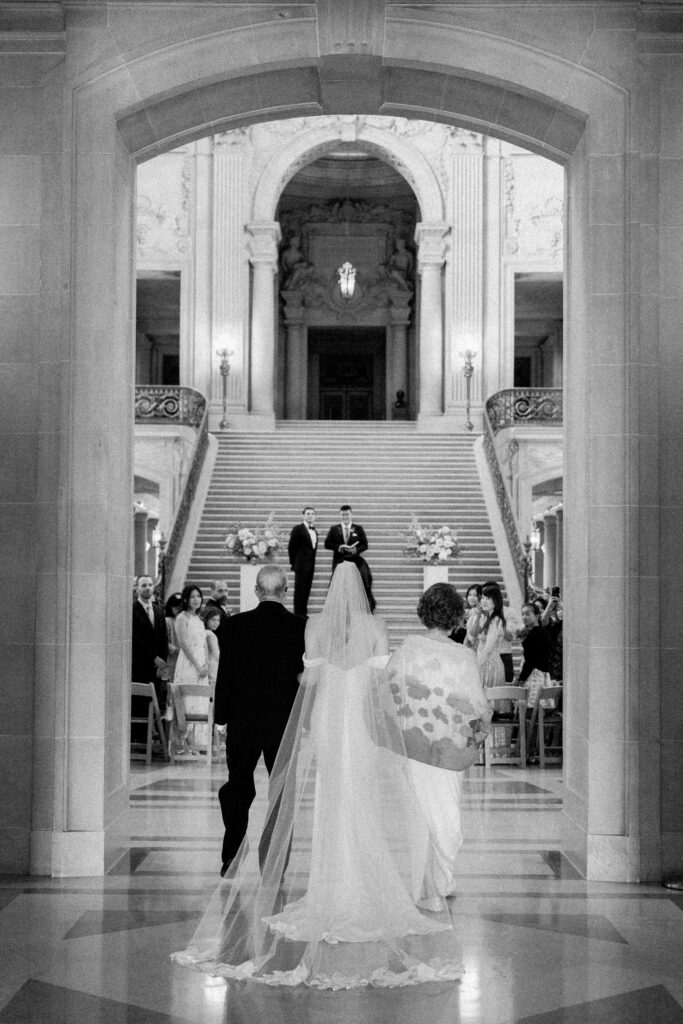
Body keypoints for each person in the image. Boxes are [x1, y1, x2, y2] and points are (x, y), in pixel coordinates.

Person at [173, 563, 464, 987]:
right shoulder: (376, 625)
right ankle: (359, 888)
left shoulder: (315, 627)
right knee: (360, 799)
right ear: (366, 587)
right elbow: (383, 682)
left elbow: (306, 678)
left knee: (329, 799)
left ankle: (327, 888)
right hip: (360, 724)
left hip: (328, 721)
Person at [387, 584, 491, 907]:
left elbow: (389, 689)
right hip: (447, 751)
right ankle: (440, 881)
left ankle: (426, 881)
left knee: (420, 815)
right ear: (457, 616)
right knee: (447, 819)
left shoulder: (407, 648)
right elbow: (478, 706)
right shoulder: (463, 656)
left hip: (413, 746)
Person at [214, 565, 306, 876]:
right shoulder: (299, 627)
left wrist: (220, 719)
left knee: (238, 787)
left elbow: (224, 674)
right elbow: (303, 679)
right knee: (281, 794)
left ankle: (232, 854)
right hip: (283, 724)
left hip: (243, 721)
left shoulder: (235, 625)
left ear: (256, 590)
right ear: (286, 591)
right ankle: (274, 862)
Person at [172, 584, 208, 755]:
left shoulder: (199, 619)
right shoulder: (182, 617)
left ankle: (197, 741)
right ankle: (187, 740)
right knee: (188, 699)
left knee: (199, 701)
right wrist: (197, 665)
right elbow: (184, 645)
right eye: (193, 596)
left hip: (201, 663)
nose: (196, 600)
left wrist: (206, 664)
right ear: (186, 599)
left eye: (198, 596)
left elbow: (203, 644)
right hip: (188, 663)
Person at [131, 574, 169, 736]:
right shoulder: (133, 610)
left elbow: (163, 638)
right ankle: (140, 740)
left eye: (150, 585)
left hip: (157, 667)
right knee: (140, 704)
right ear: (136, 589)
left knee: (155, 703)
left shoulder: (159, 610)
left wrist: (163, 663)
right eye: (143, 585)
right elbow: (136, 639)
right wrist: (154, 657)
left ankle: (151, 738)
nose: (147, 588)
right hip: (140, 666)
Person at [324, 503, 375, 609]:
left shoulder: (358, 529)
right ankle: (337, 608)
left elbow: (365, 544)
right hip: (339, 561)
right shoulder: (334, 529)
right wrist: (339, 547)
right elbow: (327, 544)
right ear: (340, 516)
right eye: (343, 515)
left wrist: (355, 549)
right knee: (338, 586)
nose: (345, 517)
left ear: (351, 515)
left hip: (355, 562)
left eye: (347, 514)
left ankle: (359, 607)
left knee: (358, 584)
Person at [287, 506, 318, 616]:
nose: (310, 516)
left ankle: (303, 614)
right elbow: (291, 548)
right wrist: (295, 564)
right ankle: (298, 615)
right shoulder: (297, 529)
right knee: (299, 592)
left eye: (312, 514)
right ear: (303, 515)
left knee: (306, 592)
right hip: (300, 566)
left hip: (310, 567)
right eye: (308, 513)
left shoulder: (314, 530)